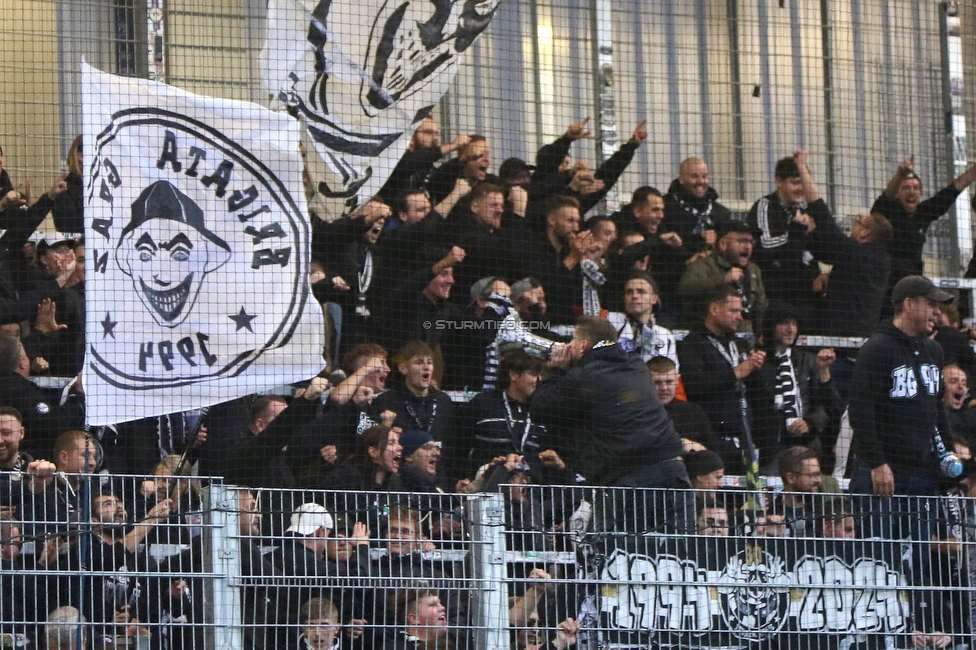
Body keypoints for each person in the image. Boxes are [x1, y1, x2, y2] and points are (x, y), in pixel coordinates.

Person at [531, 316, 690, 532]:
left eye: (573, 340)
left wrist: (556, 370)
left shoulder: (585, 377)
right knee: (679, 551)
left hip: (630, 480)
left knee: (624, 555)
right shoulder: (636, 365)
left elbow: (539, 409)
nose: (569, 345)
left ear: (584, 344)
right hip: (672, 470)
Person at [849, 275, 954, 539]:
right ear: (908, 305)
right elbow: (861, 411)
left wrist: (948, 456)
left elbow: (937, 410)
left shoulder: (934, 351)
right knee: (880, 561)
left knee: (916, 562)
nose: (937, 312)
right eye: (930, 304)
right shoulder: (877, 349)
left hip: (922, 474)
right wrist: (877, 463)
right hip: (882, 474)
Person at [795, 151, 893, 337]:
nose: (852, 228)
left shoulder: (858, 254)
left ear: (866, 233)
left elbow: (823, 216)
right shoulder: (880, 259)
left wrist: (801, 167)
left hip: (843, 341)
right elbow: (827, 252)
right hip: (860, 337)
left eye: (857, 223)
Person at [678, 285, 765, 472]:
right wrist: (735, 373)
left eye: (740, 311)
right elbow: (694, 386)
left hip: (746, 441)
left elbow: (757, 392)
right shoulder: (693, 343)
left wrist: (757, 369)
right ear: (714, 309)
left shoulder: (739, 344)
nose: (739, 317)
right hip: (713, 442)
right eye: (733, 311)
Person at [754, 301, 841, 461]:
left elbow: (832, 407)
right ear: (770, 326)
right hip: (768, 450)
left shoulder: (809, 361)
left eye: (794, 323)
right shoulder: (756, 362)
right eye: (784, 323)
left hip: (806, 448)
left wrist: (810, 423)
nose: (791, 329)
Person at [871, 155, 976, 285]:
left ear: (920, 193)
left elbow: (950, 192)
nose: (911, 192)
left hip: (912, 282)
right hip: (886, 282)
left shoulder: (923, 212)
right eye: (906, 188)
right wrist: (900, 175)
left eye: (916, 188)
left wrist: (972, 172)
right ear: (898, 194)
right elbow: (887, 196)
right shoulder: (888, 210)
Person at [747, 154, 821, 310]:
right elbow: (765, 245)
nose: (801, 188)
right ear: (779, 181)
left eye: (803, 183)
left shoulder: (807, 209)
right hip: (775, 290)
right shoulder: (765, 206)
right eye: (795, 183)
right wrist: (796, 230)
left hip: (806, 292)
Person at [677, 220, 767, 333]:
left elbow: (761, 307)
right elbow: (685, 289)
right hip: (708, 333)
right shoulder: (704, 264)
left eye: (751, 242)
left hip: (745, 335)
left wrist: (762, 332)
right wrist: (722, 280)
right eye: (742, 241)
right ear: (723, 244)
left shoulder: (754, 270)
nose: (748, 247)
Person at [606, 272, 679, 367]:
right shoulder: (609, 320)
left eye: (641, 292)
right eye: (629, 292)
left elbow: (674, 376)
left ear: (654, 299)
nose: (634, 296)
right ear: (624, 298)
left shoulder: (665, 336)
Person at [663, 158, 731, 250]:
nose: (701, 181)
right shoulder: (664, 208)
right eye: (694, 176)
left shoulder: (722, 214)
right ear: (681, 179)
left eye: (704, 176)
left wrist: (716, 243)